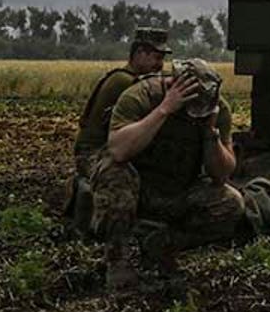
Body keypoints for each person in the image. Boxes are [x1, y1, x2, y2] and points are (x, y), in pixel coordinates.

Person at [94, 57, 244, 286]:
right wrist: (164, 110)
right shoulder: (141, 96)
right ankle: (118, 258)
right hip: (138, 188)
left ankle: (162, 243)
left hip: (178, 189)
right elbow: (118, 150)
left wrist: (209, 133)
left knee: (232, 203)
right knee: (113, 171)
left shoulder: (216, 109)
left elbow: (222, 175)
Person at [72, 27, 172, 179]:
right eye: (156, 58)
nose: (160, 65)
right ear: (139, 53)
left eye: (162, 59)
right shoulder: (126, 82)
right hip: (93, 153)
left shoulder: (126, 78)